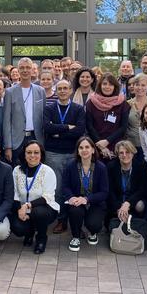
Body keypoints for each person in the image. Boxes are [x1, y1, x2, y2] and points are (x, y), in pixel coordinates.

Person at [44, 79, 86, 234]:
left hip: (73, 153)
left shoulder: (78, 109)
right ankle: (61, 220)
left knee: (76, 187)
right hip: (53, 153)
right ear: (56, 91)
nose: (62, 91)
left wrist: (58, 132)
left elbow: (80, 130)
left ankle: (76, 221)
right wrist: (68, 127)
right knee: (58, 189)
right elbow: (47, 128)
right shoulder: (49, 108)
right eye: (59, 88)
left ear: (70, 91)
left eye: (65, 88)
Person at [10, 141, 59, 254]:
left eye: (36, 152)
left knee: (38, 212)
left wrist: (27, 206)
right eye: (29, 152)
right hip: (22, 209)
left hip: (44, 209)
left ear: (41, 154)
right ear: (24, 154)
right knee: (17, 228)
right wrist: (19, 210)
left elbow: (47, 196)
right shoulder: (17, 170)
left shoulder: (48, 171)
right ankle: (29, 232)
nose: (32, 155)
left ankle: (41, 238)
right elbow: (14, 193)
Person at [62, 136, 109, 252]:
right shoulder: (70, 166)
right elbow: (65, 186)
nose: (84, 150)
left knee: (94, 224)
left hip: (95, 202)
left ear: (93, 149)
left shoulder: (101, 167)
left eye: (87, 147)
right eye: (81, 148)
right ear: (77, 151)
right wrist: (71, 197)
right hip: (77, 201)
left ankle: (92, 232)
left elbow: (104, 192)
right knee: (74, 210)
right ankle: (76, 237)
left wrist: (87, 199)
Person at [108, 140, 147, 240]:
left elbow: (142, 190)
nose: (125, 155)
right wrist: (119, 207)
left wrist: (128, 203)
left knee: (140, 205)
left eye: (127, 152)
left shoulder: (141, 166)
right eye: (121, 153)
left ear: (133, 153)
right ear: (117, 154)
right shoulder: (111, 167)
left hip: (133, 201)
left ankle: (138, 224)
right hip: (117, 202)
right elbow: (110, 191)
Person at [3, 57, 46, 164]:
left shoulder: (40, 91)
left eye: (28, 67)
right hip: (17, 140)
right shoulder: (10, 92)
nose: (25, 70)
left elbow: (43, 116)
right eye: (22, 68)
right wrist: (8, 146)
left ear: (32, 70)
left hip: (36, 137)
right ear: (18, 70)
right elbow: (6, 120)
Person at [85, 73, 130, 161]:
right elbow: (89, 126)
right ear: (100, 85)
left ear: (115, 86)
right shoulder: (91, 103)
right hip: (96, 146)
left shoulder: (122, 104)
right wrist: (100, 145)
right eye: (104, 84)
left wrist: (107, 141)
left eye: (110, 84)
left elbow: (123, 127)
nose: (107, 87)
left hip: (116, 146)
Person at [125, 74, 147, 155]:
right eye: (137, 85)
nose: (140, 88)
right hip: (131, 147)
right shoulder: (126, 104)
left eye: (143, 85)